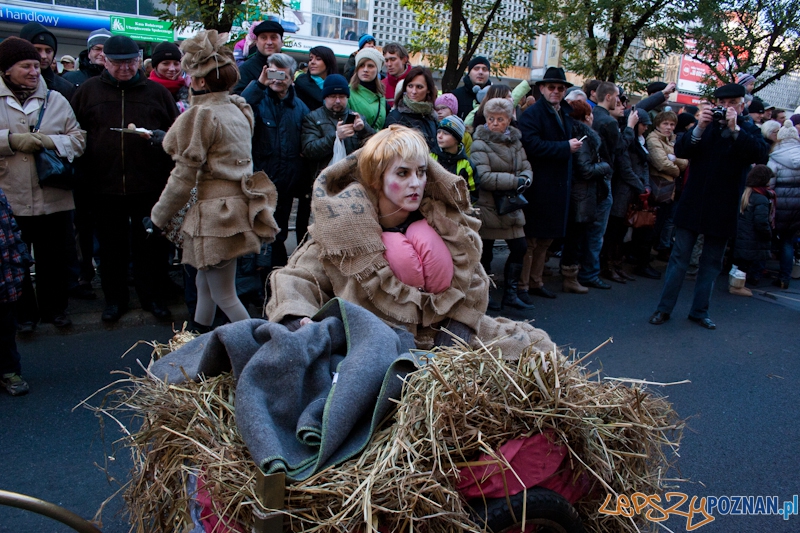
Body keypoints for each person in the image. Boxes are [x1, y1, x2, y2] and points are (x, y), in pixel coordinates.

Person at [266, 125, 553, 356]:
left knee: (537, 350)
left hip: (448, 342)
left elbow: (475, 279)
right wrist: (296, 316)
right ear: (378, 179)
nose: (415, 183)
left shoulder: (443, 219)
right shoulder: (346, 226)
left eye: (421, 172)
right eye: (402, 173)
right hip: (375, 348)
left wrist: (459, 327)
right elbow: (298, 277)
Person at [149, 30, 279, 333]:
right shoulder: (237, 107)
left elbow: (183, 177)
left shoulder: (202, 114)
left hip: (215, 214)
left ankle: (263, 348)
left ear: (200, 80)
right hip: (232, 209)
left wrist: (157, 218)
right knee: (204, 284)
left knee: (224, 294)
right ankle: (199, 341)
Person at [71, 35, 178, 323]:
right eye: (117, 63)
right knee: (110, 248)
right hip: (103, 185)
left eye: (131, 62)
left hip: (148, 184)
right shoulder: (88, 92)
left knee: (150, 247)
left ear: (138, 59)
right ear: (103, 60)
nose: (125, 68)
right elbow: (76, 134)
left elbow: (175, 135)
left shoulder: (157, 93)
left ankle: (151, 297)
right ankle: (114, 300)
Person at [649, 83, 769, 330]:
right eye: (722, 103)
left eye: (732, 103)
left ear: (742, 104)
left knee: (712, 263)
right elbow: (681, 149)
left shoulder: (747, 129)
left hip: (723, 207)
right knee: (679, 259)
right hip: (694, 202)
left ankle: (700, 311)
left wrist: (736, 128)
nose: (726, 108)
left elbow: (760, 154)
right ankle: (663, 308)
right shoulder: (707, 126)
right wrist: (700, 128)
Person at [0, 37, 86, 334]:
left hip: (53, 194)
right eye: (26, 65)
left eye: (37, 66)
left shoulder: (56, 98)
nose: (34, 71)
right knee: (18, 260)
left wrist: (50, 141)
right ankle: (25, 315)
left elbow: (78, 139)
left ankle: (56, 309)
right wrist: (10, 141)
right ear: (7, 70)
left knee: (54, 257)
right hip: (10, 194)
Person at [242, 53, 310, 268]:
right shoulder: (257, 99)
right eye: (272, 73)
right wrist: (259, 84)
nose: (277, 79)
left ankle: (272, 280)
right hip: (259, 183)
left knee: (278, 234)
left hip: (286, 185)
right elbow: (240, 109)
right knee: (253, 234)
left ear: (291, 78)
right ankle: (250, 284)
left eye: (283, 75)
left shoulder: (300, 108)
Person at [518, 67, 581, 301]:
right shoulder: (533, 114)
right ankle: (523, 286)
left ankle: (535, 282)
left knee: (546, 240)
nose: (556, 91)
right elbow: (532, 145)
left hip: (556, 185)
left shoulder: (563, 112)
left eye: (560, 88)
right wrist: (565, 148)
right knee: (532, 240)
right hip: (539, 185)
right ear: (542, 88)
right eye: (551, 87)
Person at [472, 98, 534, 310]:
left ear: (509, 120)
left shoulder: (515, 142)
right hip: (489, 205)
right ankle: (484, 296)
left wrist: (526, 179)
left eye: (500, 119)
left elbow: (526, 166)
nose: (495, 123)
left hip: (511, 204)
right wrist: (516, 181)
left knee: (520, 247)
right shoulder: (479, 143)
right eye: (491, 119)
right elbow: (484, 177)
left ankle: (511, 293)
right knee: (486, 252)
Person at [300, 74, 375, 242]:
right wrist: (335, 137)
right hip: (323, 185)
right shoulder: (313, 118)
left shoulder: (357, 117)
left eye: (341, 96)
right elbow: (309, 149)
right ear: (325, 97)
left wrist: (363, 130)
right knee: (322, 232)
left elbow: (376, 148)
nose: (338, 101)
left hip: (353, 186)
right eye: (333, 96)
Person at [560, 100, 612, 293]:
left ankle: (571, 276)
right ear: (586, 116)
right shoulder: (582, 136)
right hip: (581, 195)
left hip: (580, 194)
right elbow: (586, 170)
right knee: (576, 239)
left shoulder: (577, 133)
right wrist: (606, 166)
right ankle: (570, 278)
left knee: (576, 238)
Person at [604, 108, 656, 280]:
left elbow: (645, 165)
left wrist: (646, 185)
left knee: (623, 231)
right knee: (615, 232)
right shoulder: (627, 141)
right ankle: (609, 265)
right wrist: (642, 187)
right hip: (623, 191)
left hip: (634, 191)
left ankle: (617, 264)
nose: (645, 128)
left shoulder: (641, 142)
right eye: (643, 124)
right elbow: (625, 169)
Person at [647, 110, 689, 261]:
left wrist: (675, 160)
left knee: (662, 224)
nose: (669, 127)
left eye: (672, 124)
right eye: (665, 123)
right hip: (658, 186)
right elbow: (662, 163)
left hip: (668, 189)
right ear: (658, 124)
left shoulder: (671, 140)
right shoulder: (654, 139)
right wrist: (677, 167)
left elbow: (685, 162)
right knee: (653, 225)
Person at [0, 187, 30, 395]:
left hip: (3, 276)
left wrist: (20, 261)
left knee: (4, 327)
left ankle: (9, 371)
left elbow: (11, 230)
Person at [767, 120, 800, 289]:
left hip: (780, 203)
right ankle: (785, 277)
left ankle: (760, 272)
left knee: (776, 238)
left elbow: (769, 183)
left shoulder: (776, 156)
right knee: (790, 240)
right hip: (798, 205)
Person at [733, 165, 775, 294]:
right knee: (744, 264)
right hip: (752, 236)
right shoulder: (761, 199)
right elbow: (761, 221)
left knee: (739, 262)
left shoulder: (746, 193)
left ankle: (735, 283)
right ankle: (737, 287)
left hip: (742, 234)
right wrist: (768, 234)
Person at [385, 66, 439, 153]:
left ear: (428, 90)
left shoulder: (432, 116)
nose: (413, 91)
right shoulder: (396, 116)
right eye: (410, 86)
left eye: (419, 87)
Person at [19, 22, 75, 100]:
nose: (44, 56)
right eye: (37, 50)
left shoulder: (66, 88)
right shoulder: (10, 83)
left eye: (48, 51)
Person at [431, 115, 477, 202]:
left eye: (445, 133)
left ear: (456, 138)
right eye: (439, 132)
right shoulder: (431, 158)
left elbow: (473, 192)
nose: (439, 136)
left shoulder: (466, 165)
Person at [232, 21, 284, 94]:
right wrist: (259, 86)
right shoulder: (245, 69)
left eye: (273, 37)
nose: (269, 42)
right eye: (263, 38)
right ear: (256, 42)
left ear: (282, 42)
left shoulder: (288, 66)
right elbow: (237, 101)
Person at [347, 47, 387, 130]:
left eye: (370, 66)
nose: (365, 70)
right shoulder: (348, 93)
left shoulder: (381, 97)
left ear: (377, 70)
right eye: (361, 65)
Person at [149, 41, 190, 113]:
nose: (172, 69)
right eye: (165, 64)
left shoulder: (189, 90)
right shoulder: (146, 90)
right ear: (156, 66)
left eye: (176, 64)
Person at [293, 46, 337, 111]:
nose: (312, 62)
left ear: (328, 61)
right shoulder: (301, 83)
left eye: (318, 59)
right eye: (310, 59)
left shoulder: (337, 84)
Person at [452, 56, 491, 120]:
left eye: (484, 69)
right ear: (469, 73)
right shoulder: (455, 96)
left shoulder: (494, 96)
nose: (480, 72)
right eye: (476, 68)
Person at [382, 42, 411, 107]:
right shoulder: (381, 85)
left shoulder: (417, 82)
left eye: (393, 59)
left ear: (404, 59)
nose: (389, 64)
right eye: (386, 60)